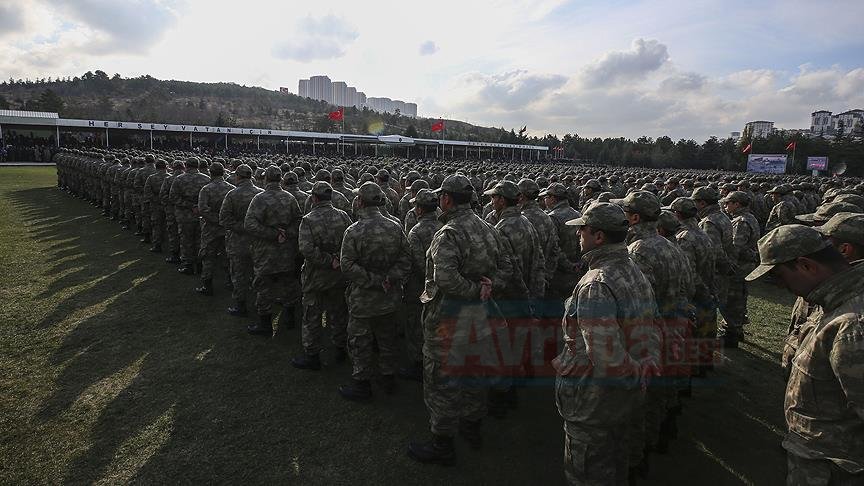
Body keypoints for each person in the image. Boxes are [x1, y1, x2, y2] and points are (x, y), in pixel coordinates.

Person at [745, 225, 864, 485]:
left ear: (806, 265)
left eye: (778, 276)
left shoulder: (853, 324)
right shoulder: (834, 301)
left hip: (836, 467)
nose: (779, 285)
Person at [408, 174, 513, 465]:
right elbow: (507, 267)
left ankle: (442, 445)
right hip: (479, 316)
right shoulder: (488, 228)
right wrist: (488, 287)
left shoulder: (449, 233)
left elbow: (444, 278)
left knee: (442, 381)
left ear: (446, 199)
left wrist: (474, 289)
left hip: (448, 318)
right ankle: (472, 429)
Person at [555, 202, 660, 485]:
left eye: (583, 231)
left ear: (598, 236)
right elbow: (652, 327)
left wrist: (633, 371)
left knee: (588, 470)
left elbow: (605, 356)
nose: (579, 236)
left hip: (595, 400)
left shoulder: (596, 284)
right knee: (614, 461)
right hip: (623, 396)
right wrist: (643, 367)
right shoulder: (632, 269)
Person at [337, 181, 411, 401]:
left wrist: (373, 280)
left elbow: (347, 265)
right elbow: (406, 260)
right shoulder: (395, 226)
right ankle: (388, 378)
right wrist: (388, 278)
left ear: (359, 201)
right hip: (389, 295)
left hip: (364, 297)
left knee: (360, 341)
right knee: (387, 338)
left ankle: (362, 384)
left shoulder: (353, 230)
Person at [291, 181, 353, 371]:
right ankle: (340, 348)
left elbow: (306, 249)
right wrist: (336, 259)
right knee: (338, 313)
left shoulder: (308, 219)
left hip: (316, 276)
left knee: (312, 315)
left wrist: (328, 260)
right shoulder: (343, 216)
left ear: (314, 198)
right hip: (338, 275)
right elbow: (351, 240)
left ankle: (312, 355)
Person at [244, 165, 302, 337]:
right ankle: (290, 317)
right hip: (286, 249)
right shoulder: (290, 197)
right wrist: (285, 233)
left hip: (266, 250)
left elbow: (250, 224)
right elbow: (299, 221)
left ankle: (265, 324)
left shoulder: (259, 199)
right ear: (281, 179)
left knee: (264, 285)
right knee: (288, 283)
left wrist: (272, 234)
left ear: (266, 179)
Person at [399, 188, 442, 382]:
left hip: (420, 287)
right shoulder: (446, 225)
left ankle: (418, 364)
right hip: (444, 285)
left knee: (416, 326)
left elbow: (417, 263)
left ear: (419, 209)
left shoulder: (416, 231)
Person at [219, 164, 262, 317]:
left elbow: (224, 219)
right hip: (258, 241)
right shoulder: (261, 194)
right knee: (258, 274)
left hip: (237, 241)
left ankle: (241, 305)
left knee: (238, 274)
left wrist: (243, 227)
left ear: (237, 176)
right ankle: (260, 305)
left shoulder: (232, 194)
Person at [720, 191, 761, 347]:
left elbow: (736, 247)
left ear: (737, 204)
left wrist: (728, 267)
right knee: (739, 297)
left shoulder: (741, 221)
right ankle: (736, 330)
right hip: (745, 265)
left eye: (728, 203)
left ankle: (732, 333)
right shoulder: (750, 218)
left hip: (738, 266)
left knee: (732, 298)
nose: (725, 206)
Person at [196, 162, 235, 296]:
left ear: (211, 173)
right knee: (227, 255)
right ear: (223, 172)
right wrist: (224, 221)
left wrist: (216, 220)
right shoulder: (231, 188)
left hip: (211, 228)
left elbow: (203, 209)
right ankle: (230, 281)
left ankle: (207, 285)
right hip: (227, 228)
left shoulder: (206, 189)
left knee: (208, 256)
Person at [169, 157, 210, 275]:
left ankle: (188, 265)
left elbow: (173, 197)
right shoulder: (206, 179)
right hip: (201, 215)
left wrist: (189, 205)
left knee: (186, 240)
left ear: (186, 165)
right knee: (200, 241)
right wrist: (198, 206)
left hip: (184, 215)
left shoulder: (179, 179)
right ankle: (200, 264)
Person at [143, 159, 170, 253]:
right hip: (168, 205)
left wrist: (156, 200)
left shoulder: (151, 178)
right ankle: (170, 245)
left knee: (157, 225)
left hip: (156, 205)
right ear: (166, 166)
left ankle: (157, 245)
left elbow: (147, 192)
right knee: (169, 225)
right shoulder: (171, 177)